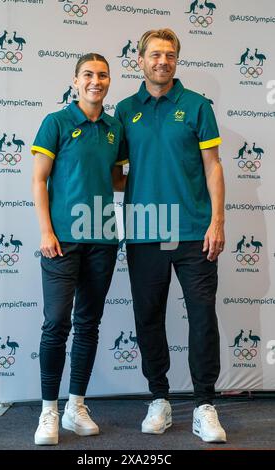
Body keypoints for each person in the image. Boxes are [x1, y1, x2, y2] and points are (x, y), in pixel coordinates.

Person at [115, 29, 226, 443]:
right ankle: (159, 399)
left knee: (201, 318)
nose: (163, 61)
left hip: (195, 231)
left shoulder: (197, 106)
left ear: (177, 60)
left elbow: (213, 166)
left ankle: (204, 405)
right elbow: (116, 173)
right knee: (148, 318)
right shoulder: (125, 111)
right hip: (144, 231)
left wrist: (218, 221)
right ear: (139, 59)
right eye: (155, 54)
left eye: (170, 55)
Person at [31, 53, 126, 445]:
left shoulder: (114, 127)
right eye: (88, 74)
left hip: (102, 240)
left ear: (108, 82)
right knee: (56, 324)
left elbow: (118, 180)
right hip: (61, 241)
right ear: (75, 81)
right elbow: (39, 181)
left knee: (88, 324)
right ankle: (48, 411)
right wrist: (46, 232)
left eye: (102, 75)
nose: (95, 81)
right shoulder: (55, 122)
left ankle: (75, 406)